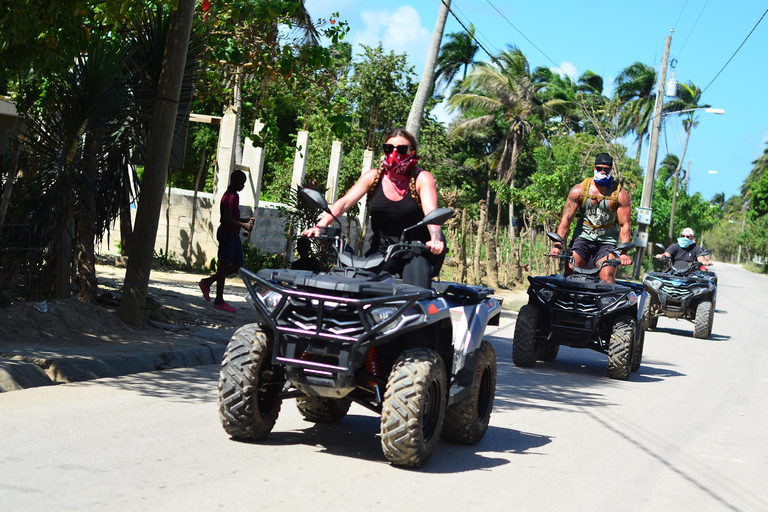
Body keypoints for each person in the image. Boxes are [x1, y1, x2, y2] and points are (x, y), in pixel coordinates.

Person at [302, 128, 445, 289]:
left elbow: (431, 213)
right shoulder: (373, 177)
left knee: (415, 294)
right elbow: (344, 202)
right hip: (383, 250)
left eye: (401, 149)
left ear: (412, 152)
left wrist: (435, 238)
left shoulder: (422, 178)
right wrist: (320, 225)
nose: (394, 153)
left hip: (415, 249)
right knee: (357, 286)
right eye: (389, 148)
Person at [549, 152, 632, 284]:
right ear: (594, 168)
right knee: (570, 270)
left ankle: (607, 302)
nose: (602, 172)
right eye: (599, 169)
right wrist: (557, 246)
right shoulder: (578, 191)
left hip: (606, 242)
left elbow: (625, 225)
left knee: (607, 277)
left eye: (606, 169)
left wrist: (624, 253)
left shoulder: (620, 195)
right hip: (582, 239)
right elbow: (566, 219)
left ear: (611, 170)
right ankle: (566, 302)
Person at [199, 170, 254, 312]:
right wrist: (243, 225)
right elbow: (226, 219)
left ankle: (207, 282)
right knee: (223, 267)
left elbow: (232, 218)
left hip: (233, 235)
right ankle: (219, 301)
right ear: (235, 181)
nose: (243, 186)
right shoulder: (229, 196)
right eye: (242, 183)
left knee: (238, 265)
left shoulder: (234, 196)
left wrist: (244, 220)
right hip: (228, 234)